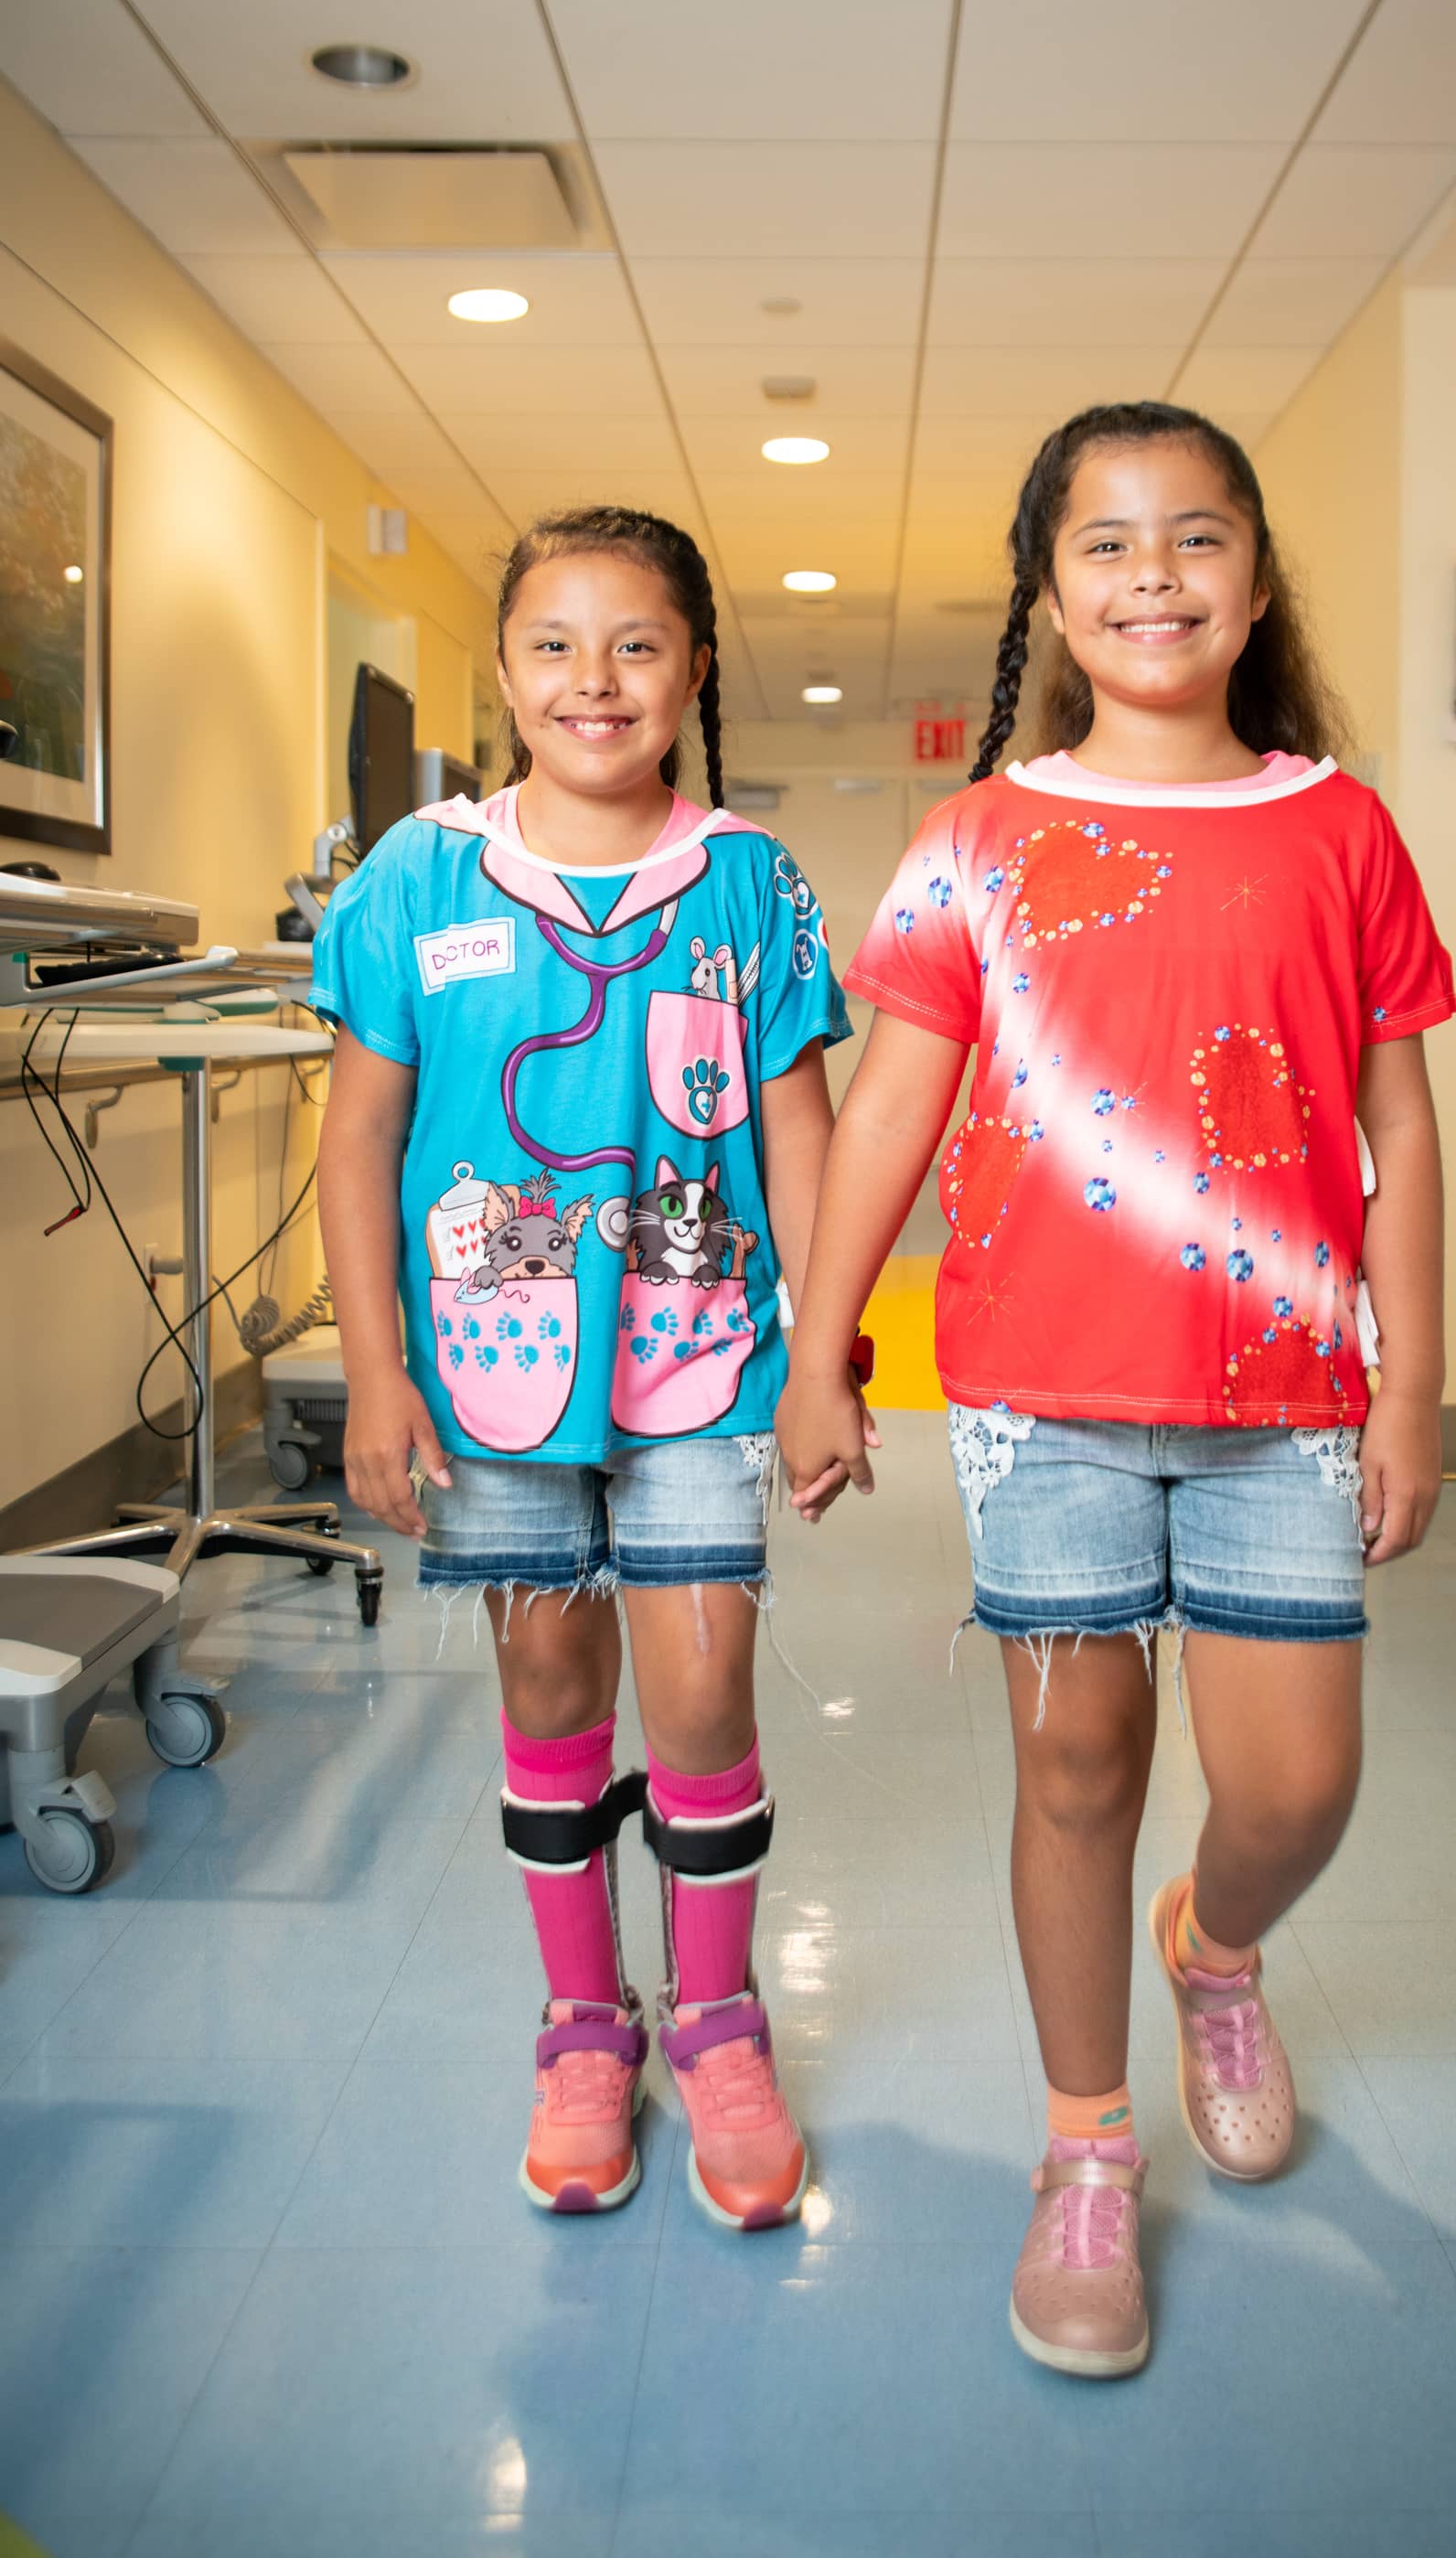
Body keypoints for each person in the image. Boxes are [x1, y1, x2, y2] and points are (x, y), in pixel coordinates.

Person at [777, 402, 1455, 2373]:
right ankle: (1085, 2150)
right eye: (1108, 544)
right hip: (1041, 1394)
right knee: (1076, 1770)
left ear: (1253, 581)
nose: (1154, 573)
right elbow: (895, 1104)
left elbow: (1398, 1118)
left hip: (1286, 1402)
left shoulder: (1339, 825)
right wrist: (825, 1350)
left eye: (1197, 537)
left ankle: (1215, 1947)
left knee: (1295, 1784)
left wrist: (1414, 1387)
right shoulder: (978, 838)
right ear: (1053, 597)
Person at [315, 504, 855, 2230]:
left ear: (696, 669)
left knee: (701, 1703)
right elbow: (358, 1149)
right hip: (493, 1381)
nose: (594, 679)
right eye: (554, 643)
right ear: (503, 668)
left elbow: (800, 1137)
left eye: (637, 644)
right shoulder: (417, 881)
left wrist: (835, 1359)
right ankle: (581, 2022)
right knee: (551, 1699)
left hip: (702, 1363)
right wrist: (377, 1373)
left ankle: (715, 2019)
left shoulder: (751, 885)